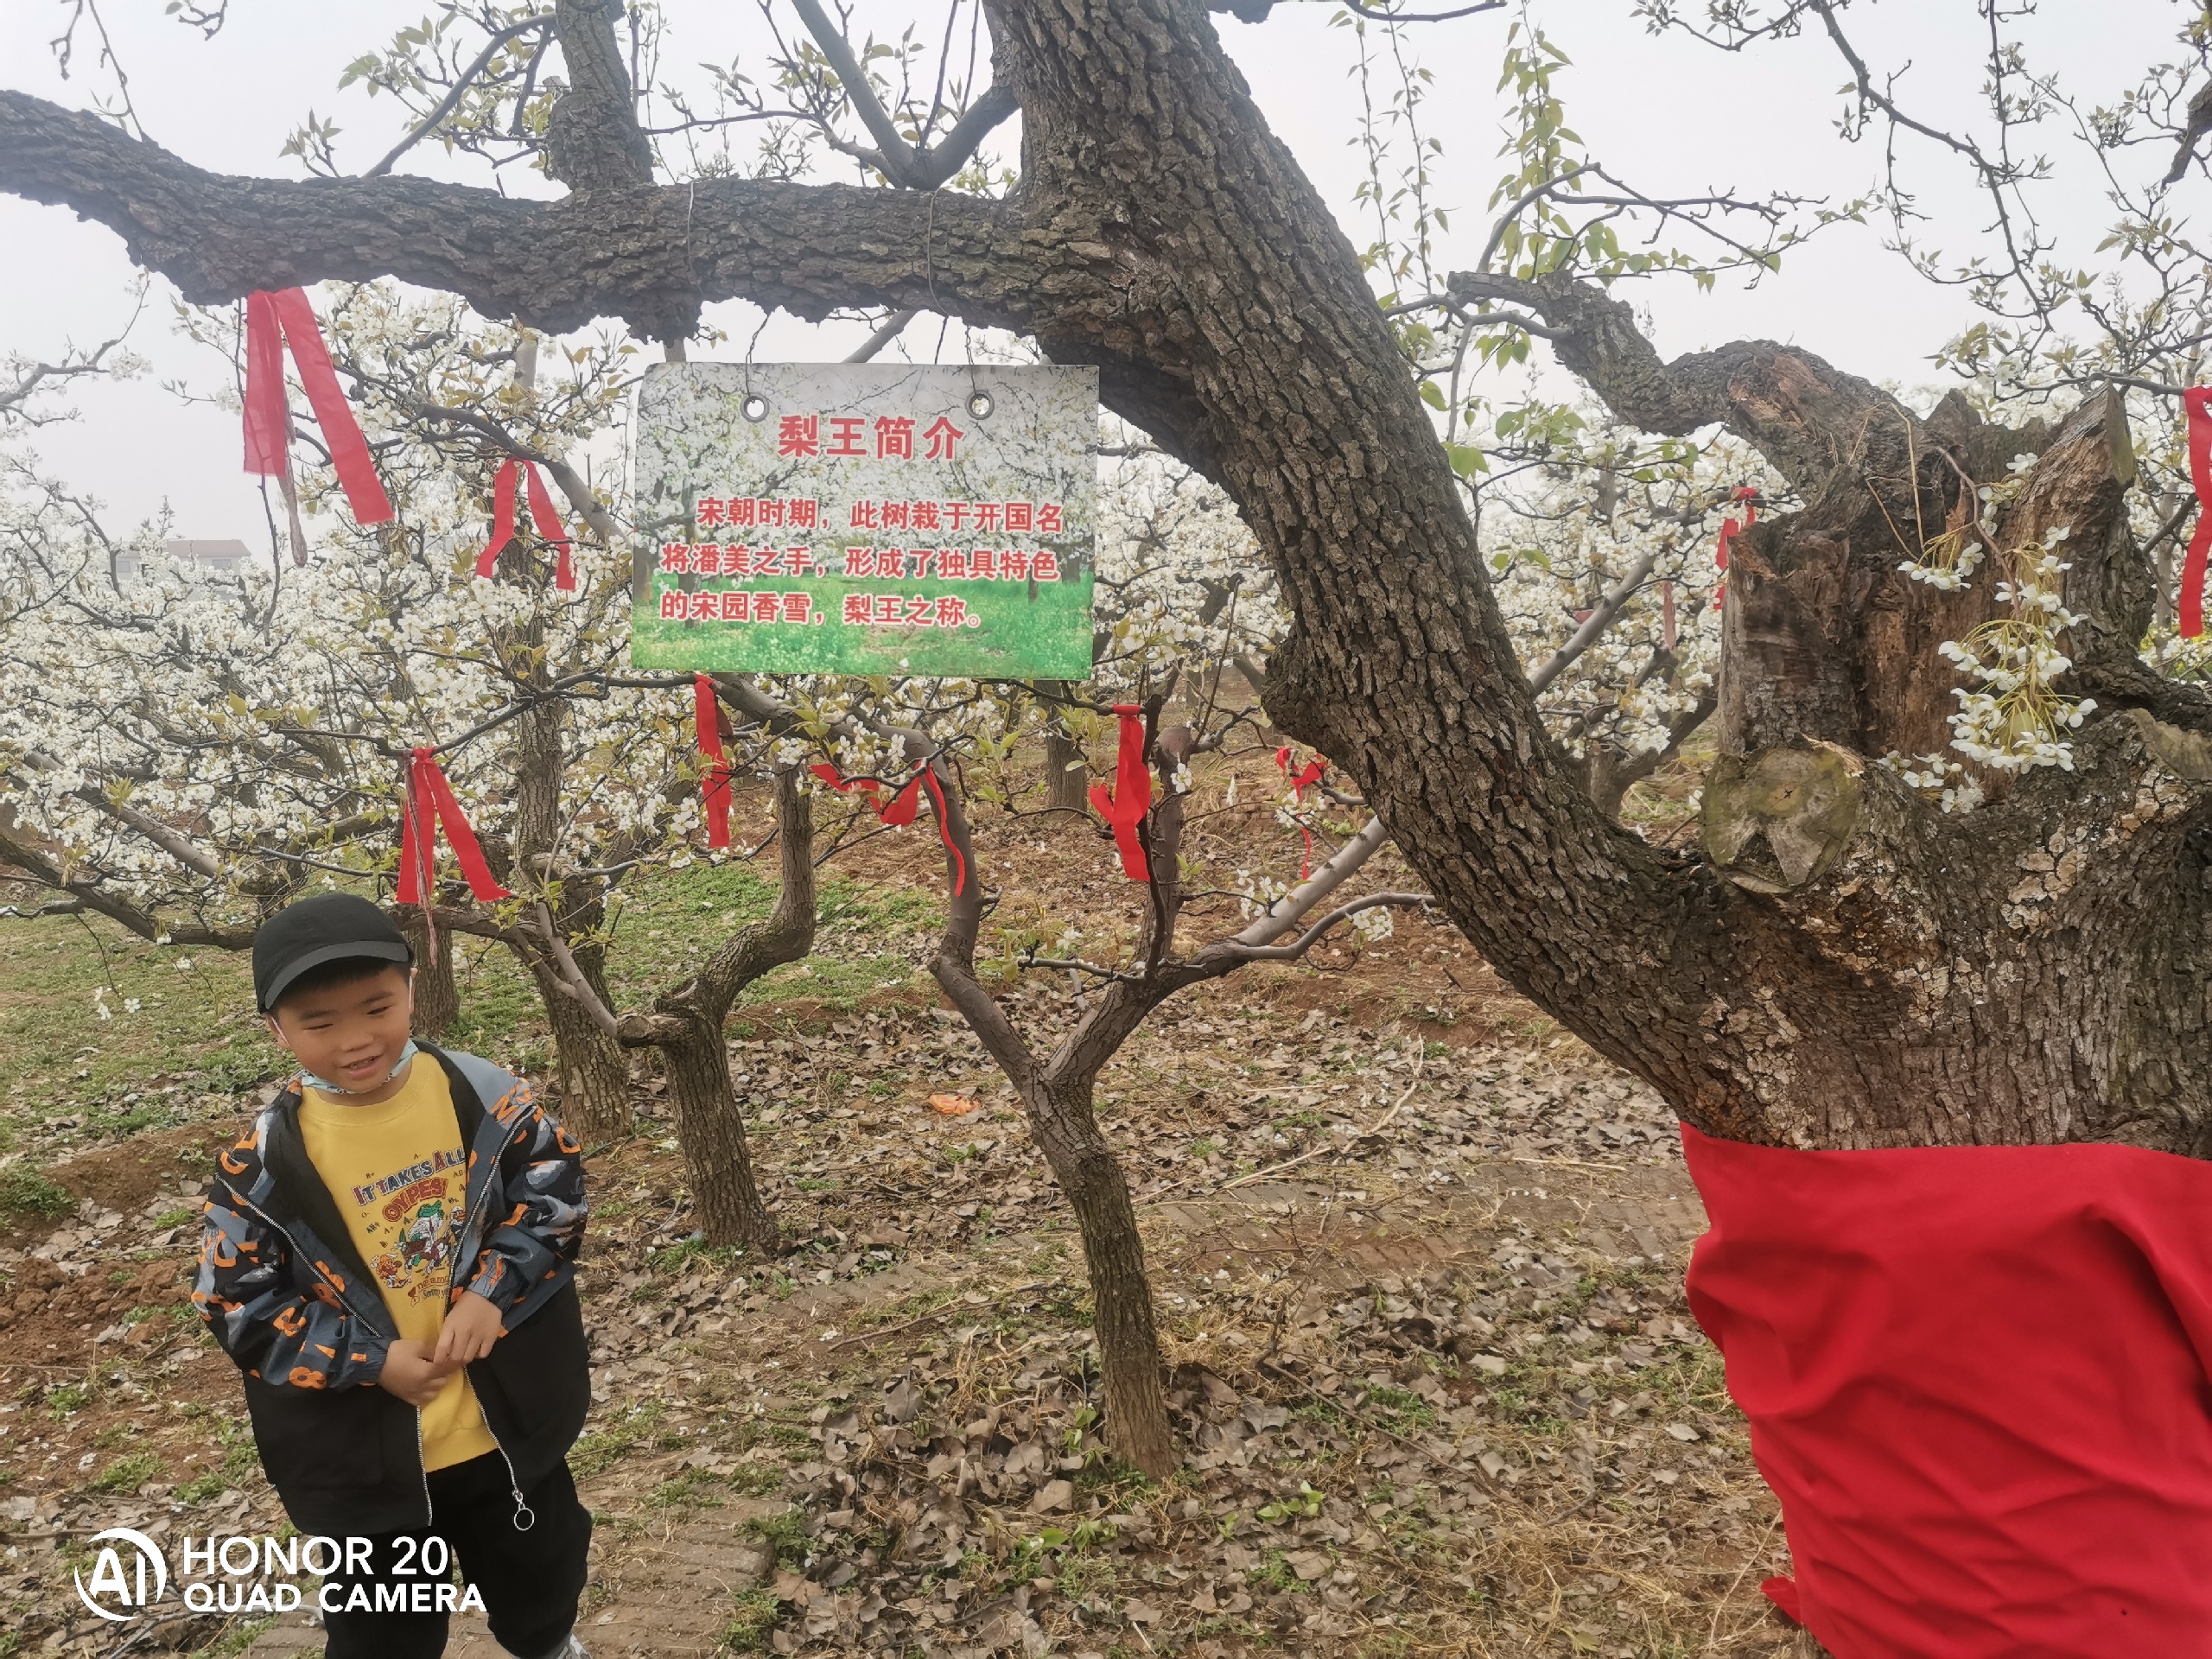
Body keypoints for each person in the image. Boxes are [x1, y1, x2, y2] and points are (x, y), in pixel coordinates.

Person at [194, 893, 594, 1659]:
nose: (356, 1040)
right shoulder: (263, 1167)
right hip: (365, 1465)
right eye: (320, 1023)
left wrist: (491, 1293)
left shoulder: (481, 1095)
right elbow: (237, 1302)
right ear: (276, 1031)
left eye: (377, 1006)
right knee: (383, 1636)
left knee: (539, 1582)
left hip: (499, 1431)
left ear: (414, 986)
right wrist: (371, 1361)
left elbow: (554, 1189)